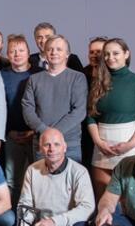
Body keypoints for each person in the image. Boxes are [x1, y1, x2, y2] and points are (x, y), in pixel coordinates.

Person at [87, 38, 135, 201]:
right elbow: (91, 117)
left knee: (128, 202)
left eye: (115, 53)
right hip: (102, 148)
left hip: (130, 147)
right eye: (107, 54)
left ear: (126, 54)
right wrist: (99, 142)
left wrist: (130, 144)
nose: (110, 58)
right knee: (102, 201)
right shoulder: (98, 83)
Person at [22, 34, 87, 162]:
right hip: (42, 144)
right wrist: (44, 131)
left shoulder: (78, 78)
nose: (54, 52)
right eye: (50, 49)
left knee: (71, 175)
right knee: (40, 175)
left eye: (59, 49)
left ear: (67, 54)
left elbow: (79, 111)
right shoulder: (33, 79)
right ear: (45, 53)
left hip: (69, 144)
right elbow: (27, 109)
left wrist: (53, 134)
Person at [0, 35, 39, 206]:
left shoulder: (39, 74)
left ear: (28, 53)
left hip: (36, 135)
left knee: (38, 179)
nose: (17, 54)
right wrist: (9, 131)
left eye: (21, 50)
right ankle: (13, 217)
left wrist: (35, 131)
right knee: (12, 181)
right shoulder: (1, 75)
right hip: (11, 135)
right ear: (7, 55)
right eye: (12, 51)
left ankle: (36, 217)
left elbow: (43, 107)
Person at [81, 37, 108, 169]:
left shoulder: (112, 75)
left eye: (98, 52)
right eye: (91, 52)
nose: (94, 55)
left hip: (105, 127)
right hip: (85, 130)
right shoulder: (82, 74)